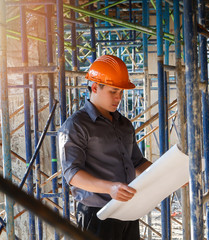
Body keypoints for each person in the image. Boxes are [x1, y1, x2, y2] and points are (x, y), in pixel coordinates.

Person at [59, 55, 152, 240]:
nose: (119, 98)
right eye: (113, 91)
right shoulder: (76, 125)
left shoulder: (123, 123)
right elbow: (72, 173)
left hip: (127, 209)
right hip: (97, 215)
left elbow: (137, 162)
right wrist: (110, 188)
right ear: (95, 87)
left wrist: (169, 176)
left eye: (121, 92)